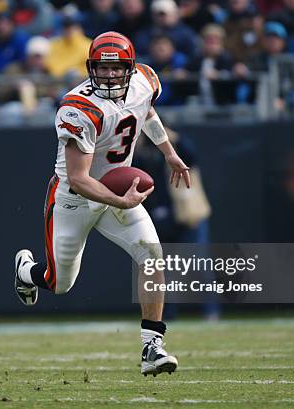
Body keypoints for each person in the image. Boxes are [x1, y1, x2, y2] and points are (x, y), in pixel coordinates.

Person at [14, 31, 191, 377]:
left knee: (152, 257)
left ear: (131, 67)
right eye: (102, 69)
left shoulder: (145, 81)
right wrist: (119, 200)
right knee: (59, 283)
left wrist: (168, 152)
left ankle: (151, 347)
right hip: (74, 199)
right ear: (90, 68)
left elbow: (147, 112)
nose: (109, 75)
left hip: (115, 189)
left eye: (117, 69)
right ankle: (25, 271)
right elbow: (79, 179)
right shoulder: (79, 108)